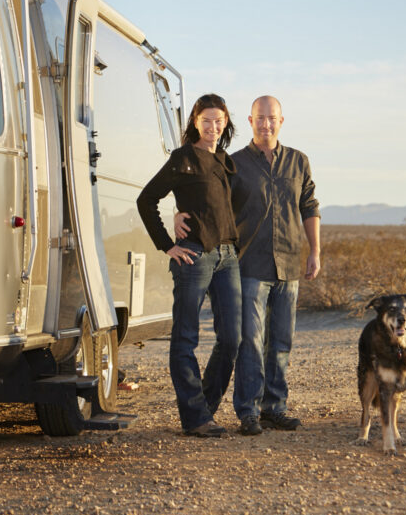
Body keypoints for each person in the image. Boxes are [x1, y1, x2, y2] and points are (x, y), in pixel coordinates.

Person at [177, 94, 320, 436]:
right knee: (250, 342)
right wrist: (180, 212)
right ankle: (248, 411)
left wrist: (315, 251)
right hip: (249, 264)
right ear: (251, 121)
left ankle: (275, 408)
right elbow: (208, 196)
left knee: (281, 341)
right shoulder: (234, 162)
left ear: (281, 122)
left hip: (288, 264)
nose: (266, 123)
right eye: (260, 118)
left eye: (273, 118)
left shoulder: (299, 162)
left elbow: (309, 206)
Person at [137, 93, 241, 437]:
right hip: (194, 255)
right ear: (195, 122)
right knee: (185, 337)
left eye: (219, 120)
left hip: (228, 257)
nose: (213, 127)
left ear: (226, 123)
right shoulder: (183, 158)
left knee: (231, 339)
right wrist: (167, 244)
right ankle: (196, 418)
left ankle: (204, 409)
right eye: (206, 120)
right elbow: (147, 198)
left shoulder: (225, 161)